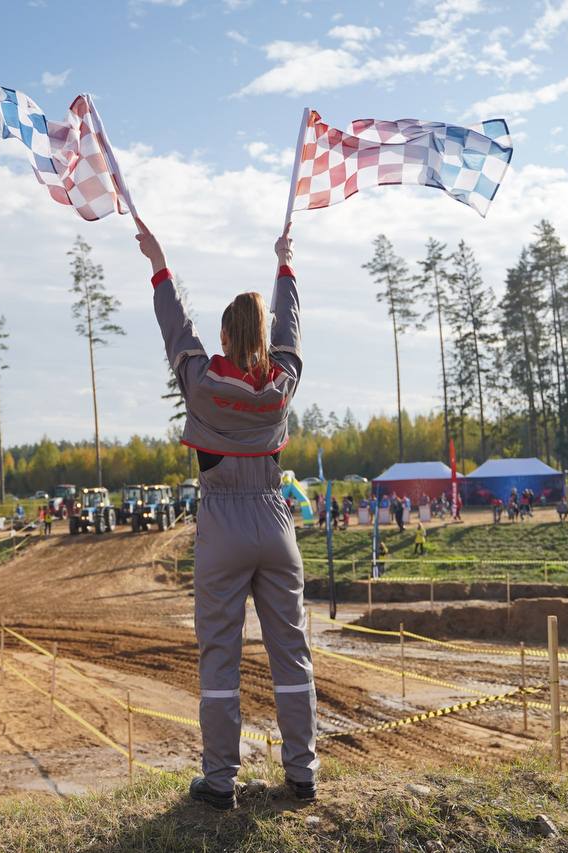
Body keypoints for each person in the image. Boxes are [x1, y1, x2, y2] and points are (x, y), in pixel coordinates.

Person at [138, 218, 316, 809]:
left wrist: (160, 264)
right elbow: (291, 327)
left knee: (220, 653)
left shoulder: (202, 381)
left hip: (222, 521)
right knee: (291, 650)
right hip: (274, 516)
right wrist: (285, 264)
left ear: (223, 333)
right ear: (262, 337)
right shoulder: (282, 381)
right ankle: (302, 773)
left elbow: (174, 328)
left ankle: (220, 782)